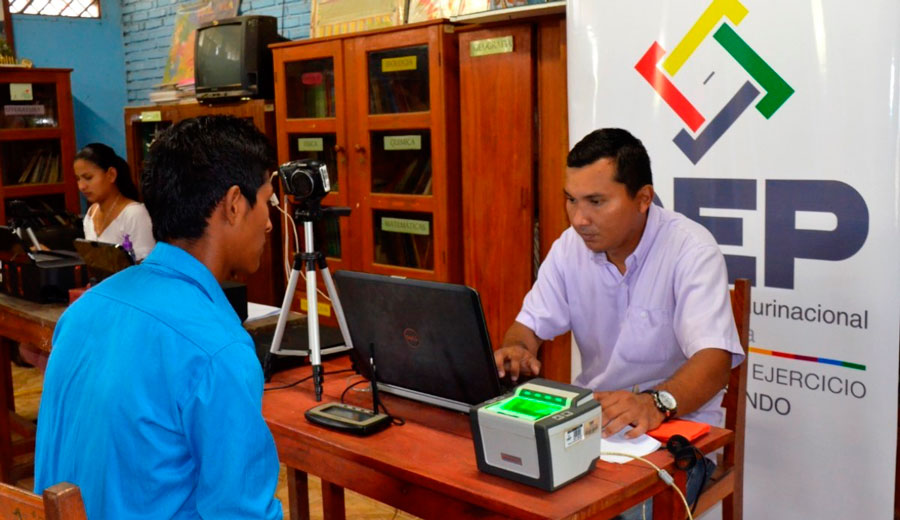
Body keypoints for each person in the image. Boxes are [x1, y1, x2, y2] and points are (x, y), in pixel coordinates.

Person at [34, 116, 282, 519]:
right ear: (235, 204)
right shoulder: (217, 350)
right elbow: (241, 513)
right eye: (268, 201)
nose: (270, 222)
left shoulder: (83, 312)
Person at [493, 128, 745, 513]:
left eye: (596, 202)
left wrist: (655, 402)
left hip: (675, 431)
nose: (580, 219)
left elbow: (715, 362)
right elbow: (527, 326)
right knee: (507, 485)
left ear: (643, 199)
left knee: (622, 510)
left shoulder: (691, 250)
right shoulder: (569, 249)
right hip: (592, 425)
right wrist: (516, 349)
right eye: (571, 200)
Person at [75, 142, 155, 261]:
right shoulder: (92, 212)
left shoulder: (135, 214)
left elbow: (146, 264)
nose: (81, 186)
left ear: (111, 174)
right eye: (78, 179)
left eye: (88, 178)